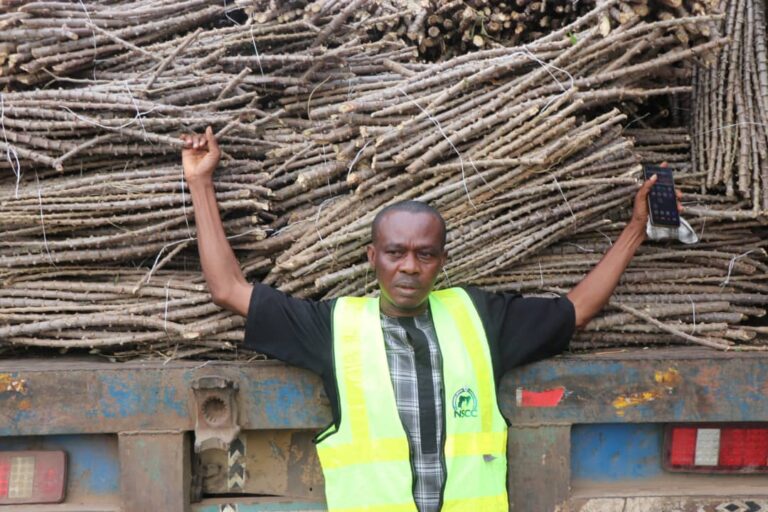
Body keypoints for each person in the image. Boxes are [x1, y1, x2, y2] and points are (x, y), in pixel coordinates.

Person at [181, 127, 682, 512]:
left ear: (442, 261)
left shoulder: (481, 320)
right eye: (395, 252)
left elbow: (577, 309)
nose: (409, 267)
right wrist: (200, 184)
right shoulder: (336, 328)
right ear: (372, 257)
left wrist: (636, 230)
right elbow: (228, 289)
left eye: (424, 254)